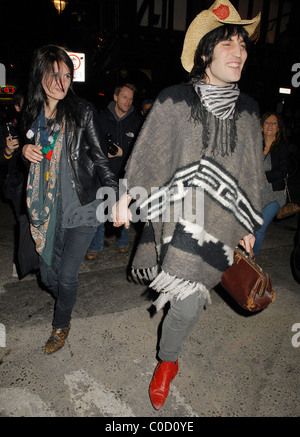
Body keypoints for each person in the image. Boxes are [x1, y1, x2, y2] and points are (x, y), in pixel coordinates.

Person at [114, 0, 264, 410]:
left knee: (187, 302)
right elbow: (150, 154)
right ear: (204, 53)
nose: (239, 53)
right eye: (228, 44)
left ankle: (167, 359)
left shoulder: (249, 111)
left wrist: (248, 222)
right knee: (182, 297)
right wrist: (127, 195)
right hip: (175, 218)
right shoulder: (175, 99)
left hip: (220, 226)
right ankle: (169, 360)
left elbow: (251, 173)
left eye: (243, 45)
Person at [22, 45, 119, 354]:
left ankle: (61, 323)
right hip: (49, 212)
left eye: (66, 75)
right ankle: (66, 294)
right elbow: (34, 165)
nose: (61, 82)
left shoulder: (82, 112)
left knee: (66, 275)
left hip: (84, 207)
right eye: (54, 74)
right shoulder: (33, 117)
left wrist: (114, 197)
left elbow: (101, 160)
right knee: (48, 274)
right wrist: (24, 153)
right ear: (41, 76)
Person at [85, 83, 142, 260]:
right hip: (103, 173)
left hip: (126, 173)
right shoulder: (101, 119)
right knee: (101, 209)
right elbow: (90, 145)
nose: (128, 101)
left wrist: (122, 152)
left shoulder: (137, 121)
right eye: (124, 97)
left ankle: (123, 242)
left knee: (126, 208)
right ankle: (96, 245)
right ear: (115, 97)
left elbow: (141, 150)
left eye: (131, 98)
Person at [253, 112, 289, 256]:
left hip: (274, 194)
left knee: (259, 228)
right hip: (255, 194)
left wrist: (265, 175)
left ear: (278, 128)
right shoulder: (255, 144)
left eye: (274, 123)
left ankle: (251, 260)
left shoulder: (282, 148)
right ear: (261, 126)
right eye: (267, 122)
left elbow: (285, 170)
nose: (270, 126)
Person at [0, 89, 28, 277]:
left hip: (38, 180)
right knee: (24, 221)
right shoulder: (7, 128)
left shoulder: (38, 124)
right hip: (17, 181)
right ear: (17, 107)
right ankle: (20, 262)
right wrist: (7, 151)